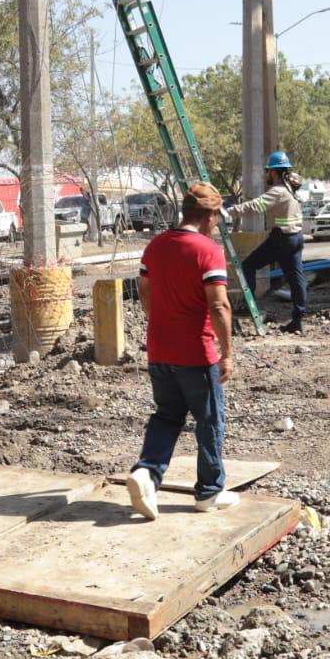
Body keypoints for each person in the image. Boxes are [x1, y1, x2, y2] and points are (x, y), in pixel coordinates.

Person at [126, 183, 238, 520]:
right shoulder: (208, 250)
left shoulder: (156, 246)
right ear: (210, 215)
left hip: (159, 349)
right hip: (196, 353)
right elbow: (219, 306)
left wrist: (163, 323)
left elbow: (144, 292)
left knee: (167, 415)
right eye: (216, 218)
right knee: (209, 420)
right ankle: (209, 492)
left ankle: (147, 472)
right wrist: (227, 353)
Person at [231, 151, 307, 334]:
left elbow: (255, 206)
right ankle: (298, 320)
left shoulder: (278, 191)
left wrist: (230, 211)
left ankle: (247, 306)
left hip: (281, 240)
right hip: (296, 238)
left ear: (274, 172)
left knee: (248, 265)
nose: (267, 175)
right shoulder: (291, 190)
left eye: (268, 171)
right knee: (296, 279)